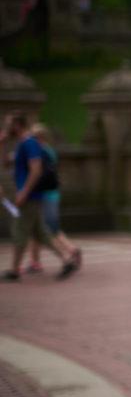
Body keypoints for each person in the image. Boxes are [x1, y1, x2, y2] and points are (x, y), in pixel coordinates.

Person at [4, 114, 80, 281]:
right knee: (41, 233)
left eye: (8, 124)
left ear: (17, 125)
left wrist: (24, 192)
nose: (6, 127)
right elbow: (5, 163)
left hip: (29, 196)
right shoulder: (22, 144)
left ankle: (14, 270)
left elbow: (36, 169)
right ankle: (67, 260)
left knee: (20, 232)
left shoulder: (30, 143)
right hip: (29, 195)